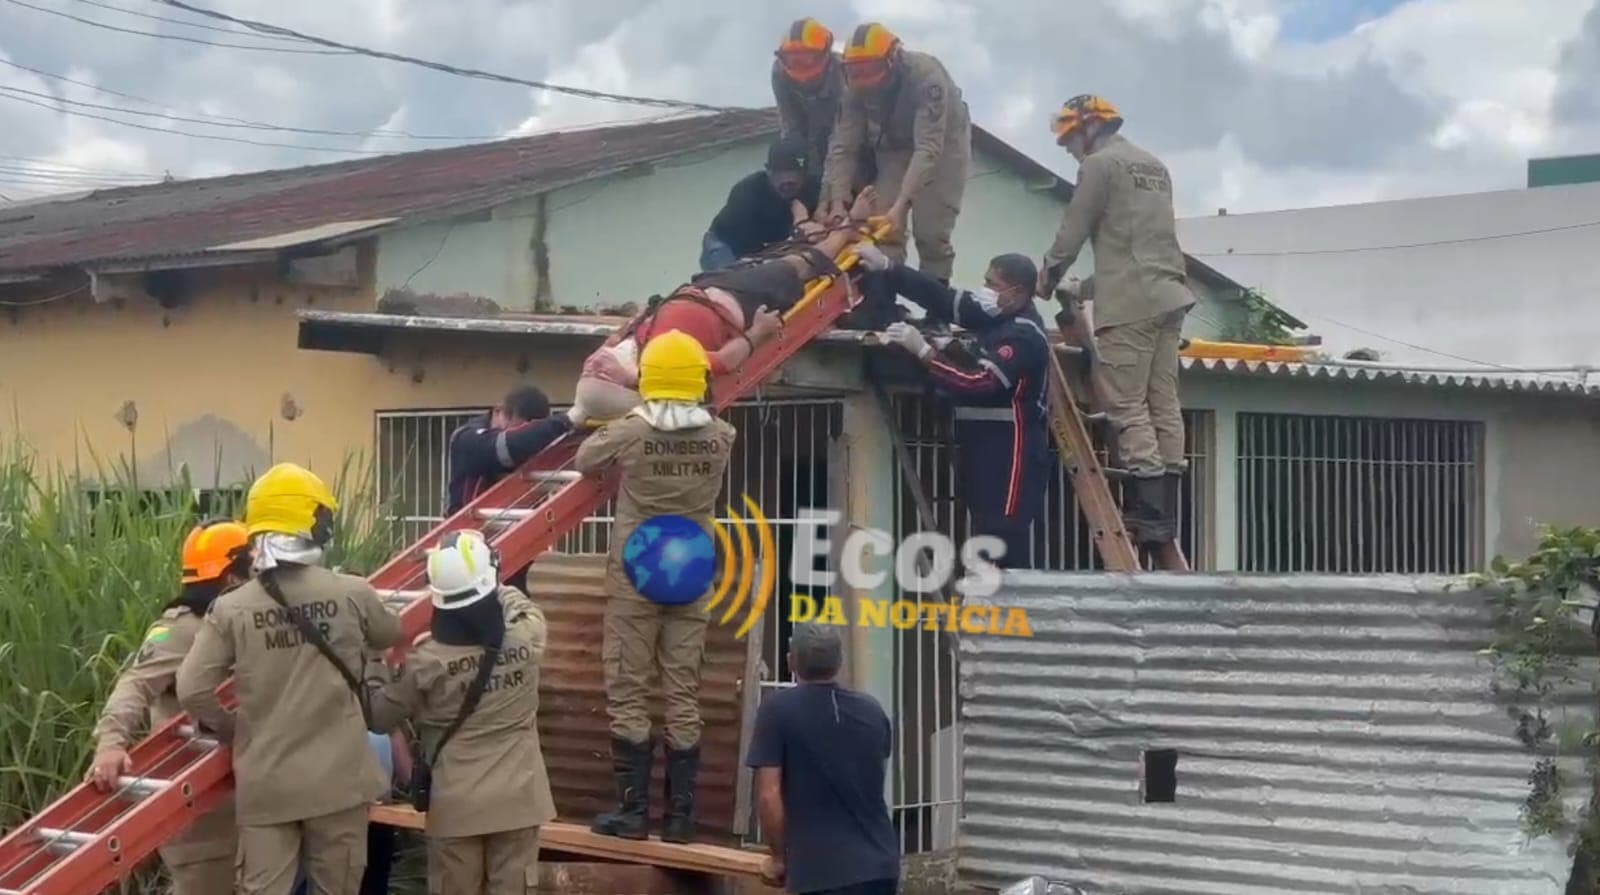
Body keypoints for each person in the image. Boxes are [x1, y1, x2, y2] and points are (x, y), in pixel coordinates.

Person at [177, 462, 403, 895]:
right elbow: (389, 634)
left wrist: (234, 729)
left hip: (268, 785)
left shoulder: (232, 608)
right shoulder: (351, 592)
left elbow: (192, 688)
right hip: (339, 783)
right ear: (312, 523)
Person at [574, 330, 737, 844]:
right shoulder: (722, 436)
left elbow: (585, 460)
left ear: (649, 379)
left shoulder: (631, 432)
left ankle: (632, 812)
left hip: (636, 576)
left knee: (629, 686)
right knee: (682, 690)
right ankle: (681, 819)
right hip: (692, 572)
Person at [1035, 95, 1196, 547]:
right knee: (1163, 401)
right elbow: (1137, 246)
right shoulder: (1152, 165)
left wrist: (1046, 277)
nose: (1069, 150)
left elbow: (1075, 225)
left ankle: (1148, 511)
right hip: (1168, 294)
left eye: (1070, 140)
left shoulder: (1100, 165)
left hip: (1131, 303)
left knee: (1128, 405)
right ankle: (1165, 513)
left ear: (1088, 128)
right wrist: (1084, 288)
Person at [574, 191, 877, 423]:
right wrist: (758, 332)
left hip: (705, 290)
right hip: (733, 301)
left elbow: (619, 340)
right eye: (603, 372)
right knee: (796, 268)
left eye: (597, 368)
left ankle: (813, 227)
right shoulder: (667, 365)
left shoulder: (625, 351)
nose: (598, 366)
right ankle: (845, 231)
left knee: (777, 260)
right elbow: (725, 361)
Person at [369, 529, 555, 895]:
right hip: (519, 802)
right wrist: (494, 579)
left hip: (456, 808)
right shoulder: (526, 639)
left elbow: (378, 718)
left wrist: (375, 660)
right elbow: (524, 608)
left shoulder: (425, 663)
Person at [86, 519, 252, 895]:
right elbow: (136, 682)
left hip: (243, 802)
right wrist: (111, 742)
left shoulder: (239, 623)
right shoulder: (183, 628)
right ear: (232, 577)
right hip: (204, 815)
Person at [865, 247, 1051, 569]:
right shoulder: (995, 316)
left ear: (1017, 292)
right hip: (981, 446)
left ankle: (1013, 612)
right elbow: (942, 298)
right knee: (983, 533)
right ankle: (990, 610)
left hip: (1011, 455)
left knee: (1003, 539)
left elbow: (978, 382)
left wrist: (923, 351)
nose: (985, 289)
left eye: (992, 284)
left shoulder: (1024, 335)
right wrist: (890, 268)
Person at [747, 624, 898, 895]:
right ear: (840, 662)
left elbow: (768, 796)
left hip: (819, 873)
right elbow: (873, 777)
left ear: (791, 661)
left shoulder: (777, 710)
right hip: (880, 867)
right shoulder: (872, 710)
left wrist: (779, 857)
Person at [820, 22, 971, 284]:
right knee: (882, 226)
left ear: (893, 59)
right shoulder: (854, 87)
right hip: (894, 148)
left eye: (871, 69)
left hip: (942, 148)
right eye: (856, 70)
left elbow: (928, 148)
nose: (864, 78)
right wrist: (837, 202)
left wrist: (901, 205)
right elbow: (843, 147)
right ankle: (884, 301)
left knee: (931, 230)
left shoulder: (926, 76)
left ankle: (936, 309)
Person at [700, 135, 823, 271]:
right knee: (733, 280)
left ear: (806, 174)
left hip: (772, 242)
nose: (787, 181)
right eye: (779, 173)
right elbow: (750, 253)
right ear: (768, 171)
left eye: (794, 174)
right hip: (727, 243)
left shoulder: (815, 187)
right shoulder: (746, 194)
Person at [772, 18, 844, 181]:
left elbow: (845, 129)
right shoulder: (779, 72)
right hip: (813, 138)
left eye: (807, 58)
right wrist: (796, 162)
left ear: (825, 54)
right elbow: (790, 123)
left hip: (851, 137)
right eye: (793, 59)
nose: (801, 68)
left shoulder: (843, 70)